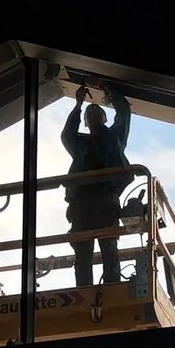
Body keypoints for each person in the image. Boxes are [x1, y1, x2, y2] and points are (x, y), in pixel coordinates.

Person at [59, 82, 133, 288]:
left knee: (109, 246)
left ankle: (111, 286)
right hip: (82, 201)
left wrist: (109, 89)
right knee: (83, 250)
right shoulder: (79, 143)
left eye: (97, 111)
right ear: (85, 121)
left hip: (105, 198)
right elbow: (67, 134)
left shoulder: (114, 138)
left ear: (104, 118)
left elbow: (124, 113)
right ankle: (84, 290)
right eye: (89, 113)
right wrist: (78, 104)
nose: (93, 113)